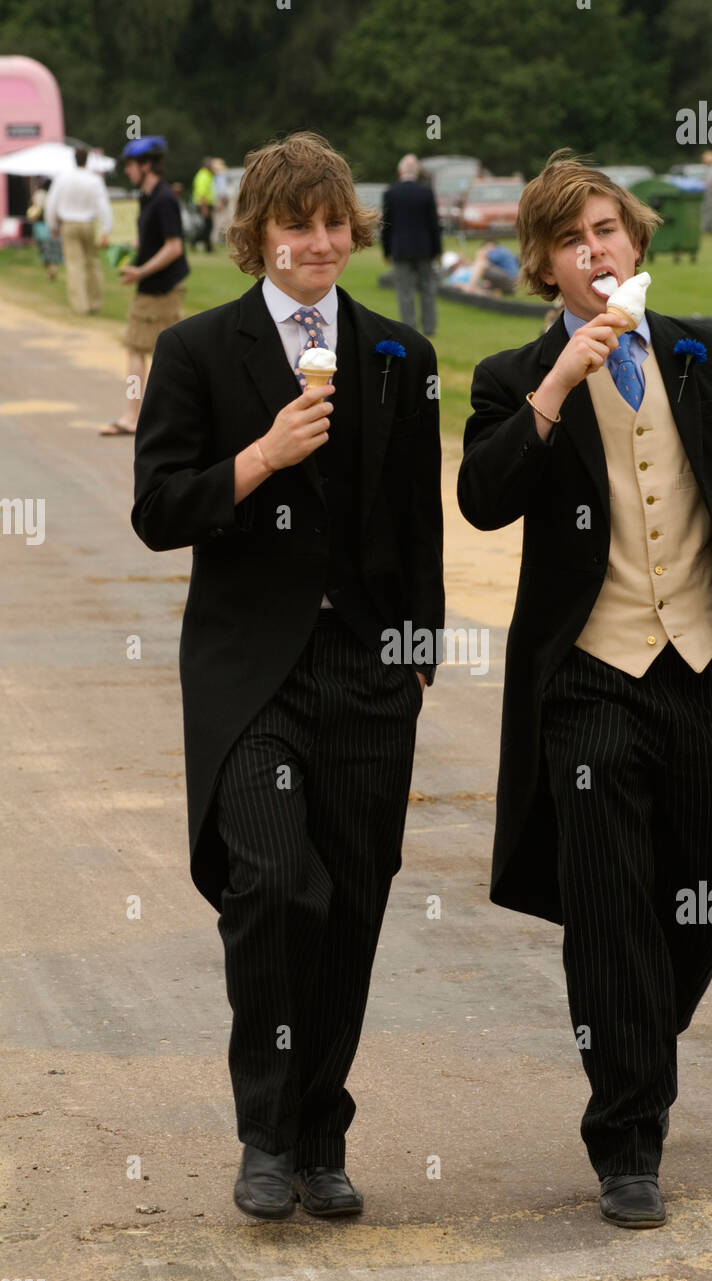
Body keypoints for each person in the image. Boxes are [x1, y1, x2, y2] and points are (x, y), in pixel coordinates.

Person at [458, 152, 712, 1230]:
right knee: (608, 909)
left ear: (634, 243)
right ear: (545, 265)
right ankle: (627, 1138)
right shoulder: (512, 376)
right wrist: (553, 387)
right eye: (574, 240)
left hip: (701, 668)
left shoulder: (704, 355)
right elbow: (484, 499)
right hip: (589, 680)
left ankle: (634, 1042)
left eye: (610, 231)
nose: (599, 252)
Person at [131, 130, 444, 1222]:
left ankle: (321, 1134)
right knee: (274, 886)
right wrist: (260, 455)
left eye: (331, 224)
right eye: (294, 224)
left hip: (368, 675)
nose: (317, 242)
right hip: (247, 673)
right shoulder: (198, 353)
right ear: (257, 235)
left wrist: (417, 665)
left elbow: (418, 532)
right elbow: (159, 509)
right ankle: (264, 1134)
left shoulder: (403, 355)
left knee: (351, 902)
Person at [100, 136, 189, 437]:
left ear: (146, 165)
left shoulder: (165, 199)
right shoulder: (148, 197)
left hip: (160, 289)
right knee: (155, 352)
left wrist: (141, 271)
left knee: (143, 350)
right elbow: (151, 241)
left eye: (131, 165)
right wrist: (126, 252)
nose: (127, 171)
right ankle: (157, 417)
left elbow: (174, 247)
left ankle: (134, 418)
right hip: (151, 287)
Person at [44, 147, 112, 313]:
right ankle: (95, 303)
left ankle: (81, 306)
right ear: (86, 160)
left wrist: (52, 225)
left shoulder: (63, 178)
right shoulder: (94, 179)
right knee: (92, 264)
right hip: (89, 224)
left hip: (69, 225)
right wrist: (106, 229)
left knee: (75, 266)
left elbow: (51, 203)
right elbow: (103, 206)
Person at [381, 153, 442, 335]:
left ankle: (409, 328)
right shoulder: (426, 192)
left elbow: (387, 226)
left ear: (400, 171)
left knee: (404, 291)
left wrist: (386, 250)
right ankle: (430, 328)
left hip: (400, 249)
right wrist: (437, 250)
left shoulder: (391, 194)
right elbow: (434, 224)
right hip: (425, 249)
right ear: (417, 172)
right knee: (427, 289)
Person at [27, 177, 63, 281]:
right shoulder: (54, 195)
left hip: (40, 225)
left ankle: (49, 269)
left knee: (43, 249)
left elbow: (32, 207)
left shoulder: (38, 194)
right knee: (53, 248)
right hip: (52, 225)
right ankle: (53, 267)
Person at [192, 156, 215, 251]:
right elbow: (202, 193)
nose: (212, 166)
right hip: (203, 204)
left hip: (205, 204)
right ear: (206, 165)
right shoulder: (203, 175)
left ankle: (206, 246)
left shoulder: (207, 175)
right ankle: (196, 242)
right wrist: (204, 208)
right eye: (211, 164)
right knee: (207, 226)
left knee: (207, 226)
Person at [211, 157, 230, 246]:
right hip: (221, 201)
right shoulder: (221, 176)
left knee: (219, 221)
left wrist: (220, 203)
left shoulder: (219, 177)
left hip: (219, 201)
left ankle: (215, 240)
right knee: (223, 221)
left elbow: (221, 191)